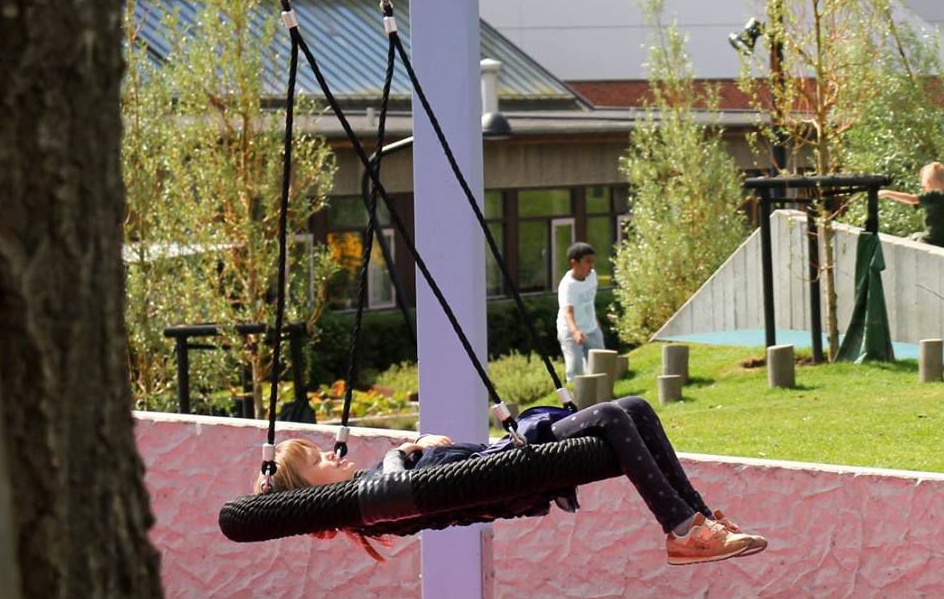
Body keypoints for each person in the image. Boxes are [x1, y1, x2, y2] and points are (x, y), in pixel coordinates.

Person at [261, 396, 767, 566]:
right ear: (311, 490)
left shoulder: (367, 493)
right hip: (510, 469)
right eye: (318, 459)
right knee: (613, 416)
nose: (331, 454)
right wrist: (408, 448)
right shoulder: (367, 502)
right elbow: (396, 488)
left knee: (633, 407)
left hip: (503, 461)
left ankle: (698, 521)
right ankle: (682, 530)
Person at [879, 162, 944, 248]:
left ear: (929, 183)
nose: (923, 190)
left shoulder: (935, 195)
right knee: (917, 235)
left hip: (933, 242)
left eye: (923, 187)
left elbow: (912, 199)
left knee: (910, 240)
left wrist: (887, 193)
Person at [557, 241, 603, 381]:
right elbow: (568, 312)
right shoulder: (567, 286)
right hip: (570, 331)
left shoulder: (592, 276)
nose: (591, 266)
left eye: (593, 261)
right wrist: (576, 332)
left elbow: (588, 303)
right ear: (574, 263)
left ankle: (601, 393)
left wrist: (595, 321)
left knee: (600, 364)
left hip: (591, 328)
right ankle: (576, 394)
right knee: (575, 369)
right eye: (588, 262)